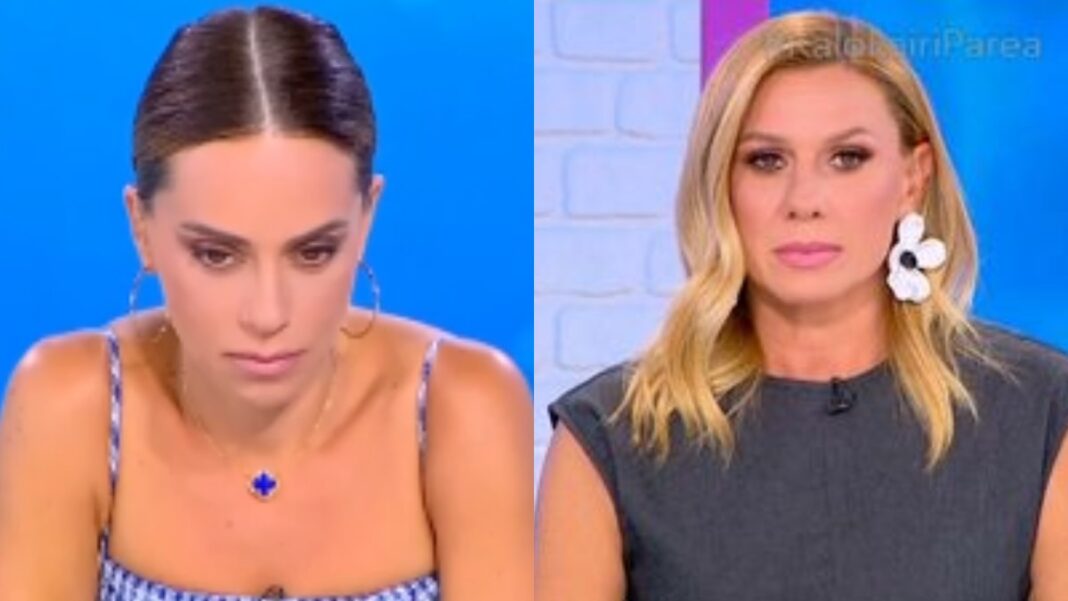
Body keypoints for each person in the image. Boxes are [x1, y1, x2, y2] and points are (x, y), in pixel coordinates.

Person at [0, 6, 532, 600]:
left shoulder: (462, 409)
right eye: (216, 255)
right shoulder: (75, 407)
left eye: (313, 253)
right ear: (141, 228)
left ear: (366, 219)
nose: (268, 314)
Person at [535, 11, 1068, 601]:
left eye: (847, 157)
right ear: (720, 184)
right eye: (766, 160)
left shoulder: (1042, 412)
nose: (804, 200)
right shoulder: (610, 438)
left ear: (913, 179)